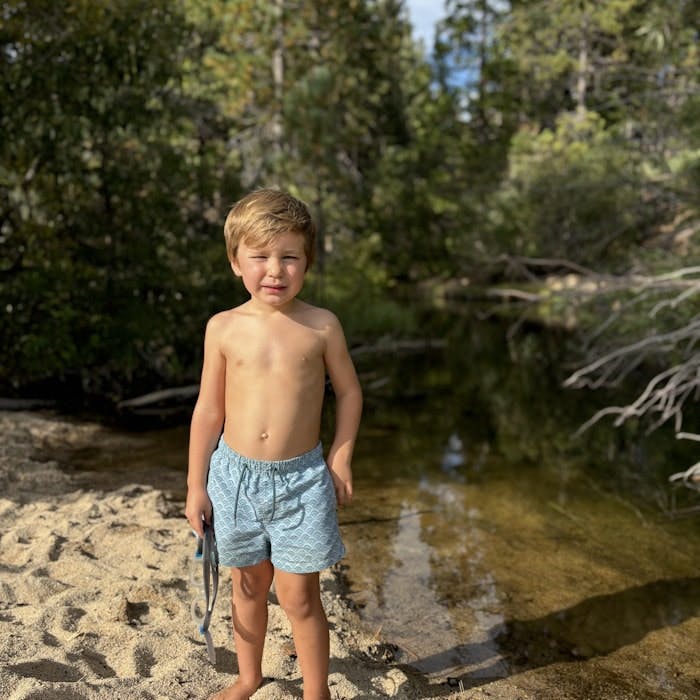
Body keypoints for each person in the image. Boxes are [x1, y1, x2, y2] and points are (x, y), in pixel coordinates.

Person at [185, 188, 363, 700]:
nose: (275, 270)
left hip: (302, 480)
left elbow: (349, 393)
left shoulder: (321, 326)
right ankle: (248, 677)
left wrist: (341, 454)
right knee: (248, 584)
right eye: (260, 257)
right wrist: (196, 485)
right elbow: (208, 411)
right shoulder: (223, 328)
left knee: (300, 594)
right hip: (234, 479)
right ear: (235, 262)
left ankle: (316, 693)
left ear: (307, 261)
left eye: (289, 257)